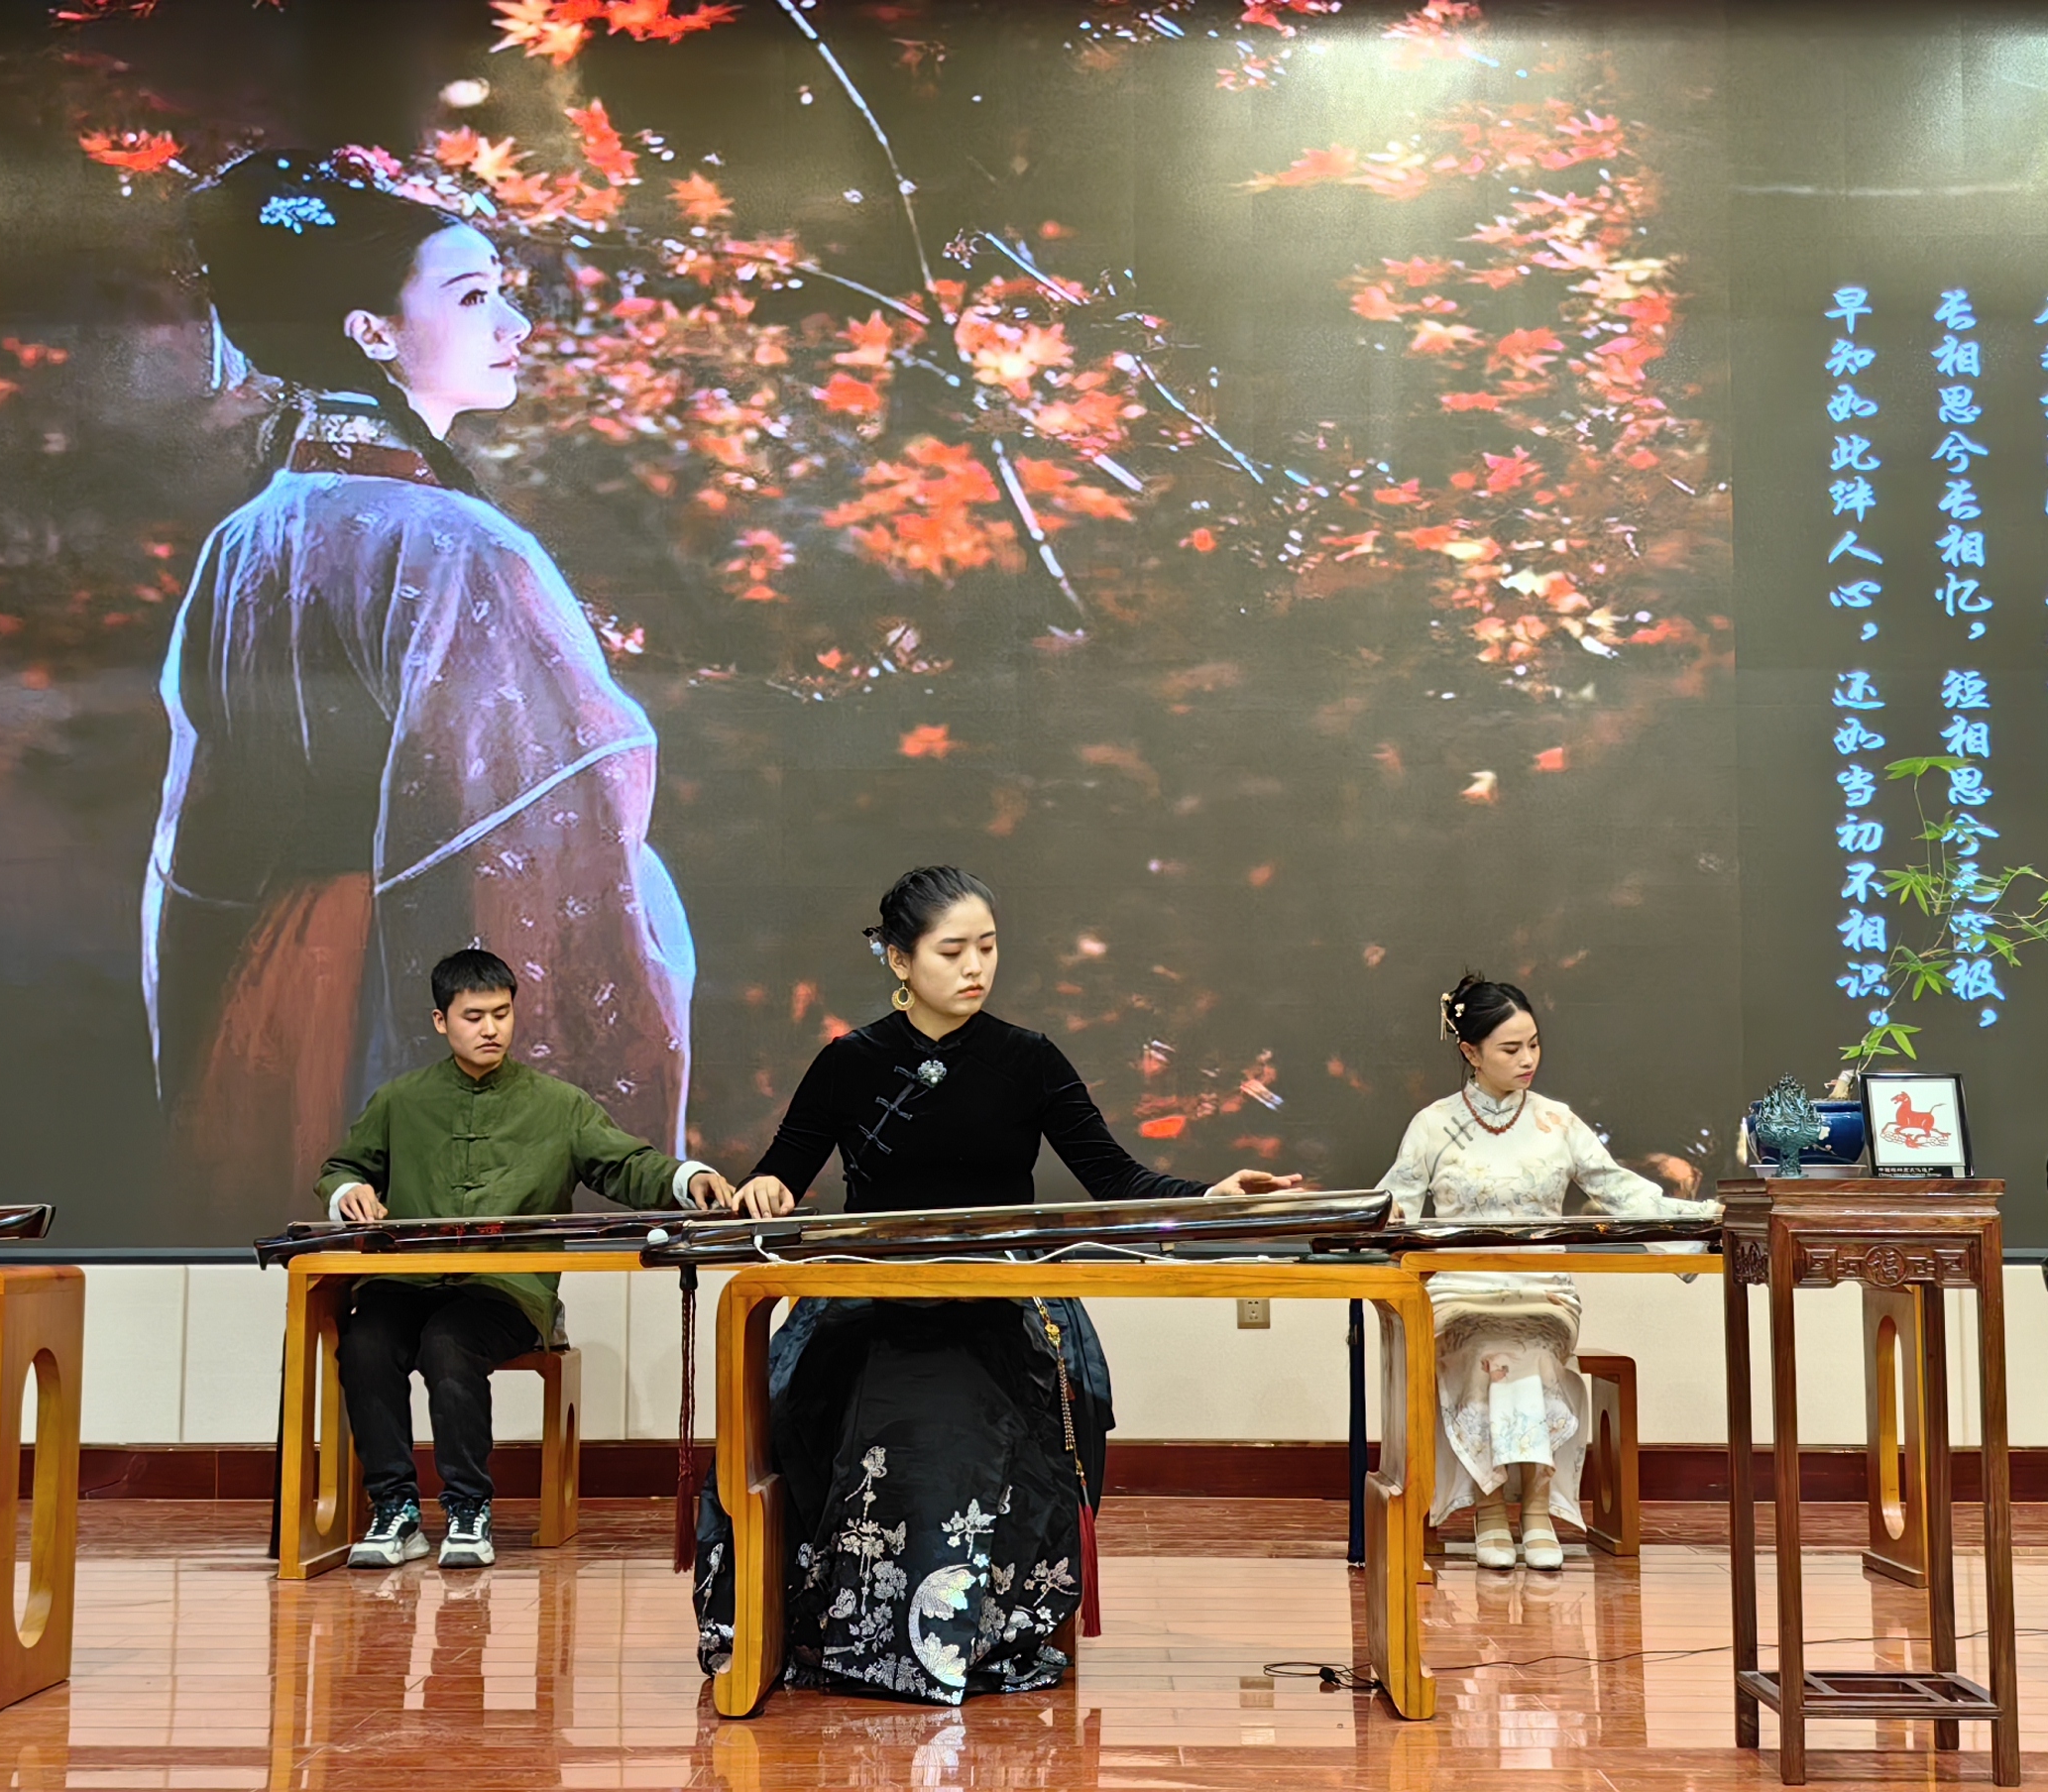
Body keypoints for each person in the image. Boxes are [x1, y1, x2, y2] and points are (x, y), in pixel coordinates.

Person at [145, 150, 693, 1235]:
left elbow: (201, 820)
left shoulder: (247, 533)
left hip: (279, 974)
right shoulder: (454, 541)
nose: (515, 325)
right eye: (474, 296)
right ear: (371, 331)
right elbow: (537, 807)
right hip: (413, 962)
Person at [693, 866, 1304, 1703]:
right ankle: (829, 1625)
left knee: (960, 1419)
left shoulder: (1029, 1059)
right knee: (813, 1416)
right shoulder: (849, 1061)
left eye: (987, 947)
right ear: (900, 960)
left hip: (995, 1305)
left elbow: (1116, 1179)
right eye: (952, 951)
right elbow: (780, 1174)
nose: (975, 967)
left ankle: (970, 1631)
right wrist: (765, 1187)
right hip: (870, 1308)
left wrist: (1210, 1196)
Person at [318, 947, 728, 1570]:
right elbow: (344, 1166)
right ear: (440, 1022)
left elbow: (625, 1164)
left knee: (449, 1343)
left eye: (502, 1014)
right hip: (406, 1281)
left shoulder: (557, 1104)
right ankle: (395, 1508)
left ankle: (467, 1508)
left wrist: (686, 1179)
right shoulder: (400, 1100)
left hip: (505, 1290)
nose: (491, 1029)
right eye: (474, 1016)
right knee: (366, 1342)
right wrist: (349, 1191)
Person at [1375, 975, 1714, 1571]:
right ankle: (1489, 1509)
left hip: (1543, 1290)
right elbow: (1392, 1204)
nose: (1527, 1059)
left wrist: (1701, 1220)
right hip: (1460, 1290)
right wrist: (1376, 1223)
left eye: (1534, 1044)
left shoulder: (1558, 1121)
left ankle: (1534, 1508)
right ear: (1470, 1051)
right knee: (1484, 1346)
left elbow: (1618, 1190)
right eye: (1510, 1049)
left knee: (1528, 1348)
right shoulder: (1433, 1124)